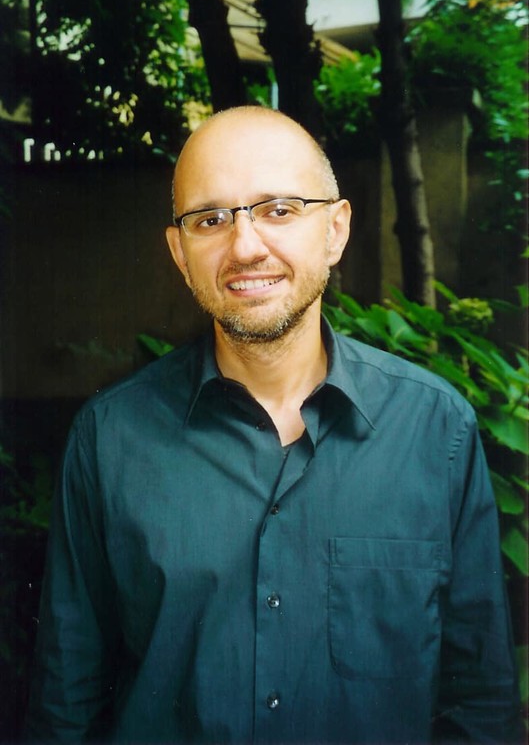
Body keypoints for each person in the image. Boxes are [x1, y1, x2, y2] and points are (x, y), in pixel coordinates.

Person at [26, 106, 522, 744]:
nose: (245, 247)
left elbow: (480, 701)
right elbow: (66, 703)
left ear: (335, 230)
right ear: (180, 253)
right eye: (210, 219)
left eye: (279, 209)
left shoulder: (435, 430)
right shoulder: (110, 439)